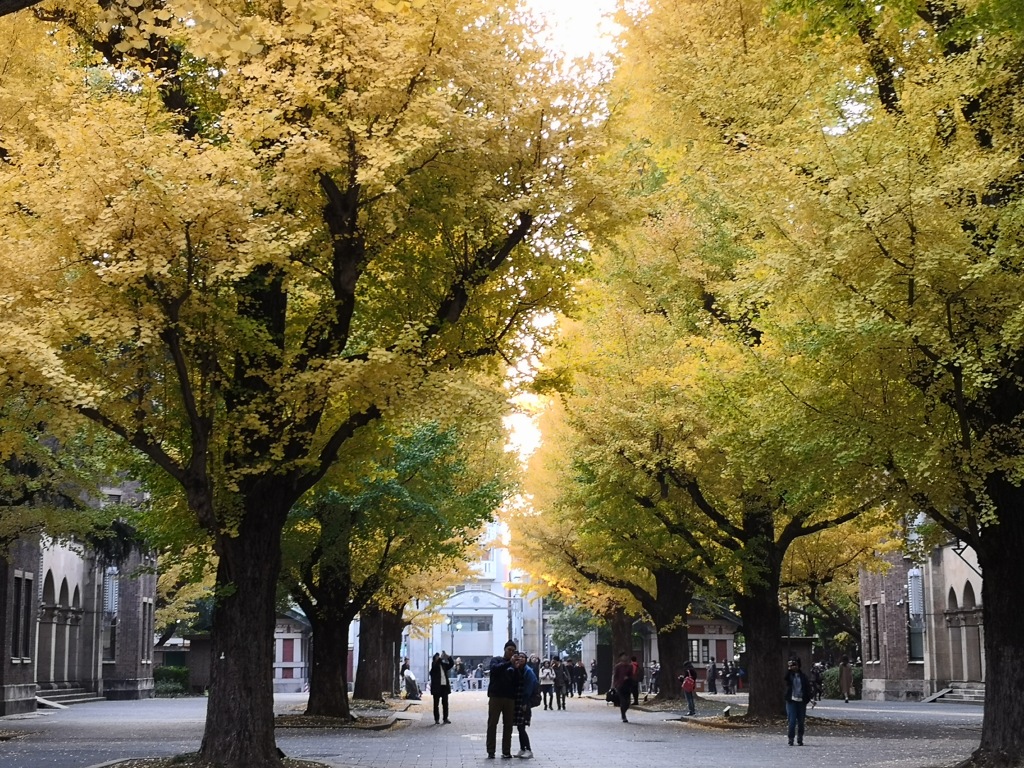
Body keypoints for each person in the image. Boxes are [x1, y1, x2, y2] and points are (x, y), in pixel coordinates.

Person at [486, 640, 518, 759]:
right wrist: (509, 663)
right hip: (496, 696)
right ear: (505, 650)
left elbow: (516, 681)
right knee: (492, 723)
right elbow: (494, 669)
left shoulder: (514, 665)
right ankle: (490, 750)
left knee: (508, 725)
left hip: (509, 697)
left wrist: (517, 668)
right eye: (509, 650)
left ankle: (506, 751)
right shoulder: (496, 660)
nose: (511, 652)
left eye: (513, 651)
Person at [512, 652, 538, 759]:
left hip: (524, 702)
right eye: (519, 657)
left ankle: (528, 749)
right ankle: (522, 748)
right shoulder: (517, 669)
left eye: (523, 657)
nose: (521, 659)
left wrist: (525, 703)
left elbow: (529, 687)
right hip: (518, 700)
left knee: (522, 726)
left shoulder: (528, 671)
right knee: (519, 727)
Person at [784, 658, 813, 746]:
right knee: (792, 721)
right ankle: (791, 738)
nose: (794, 667)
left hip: (801, 701)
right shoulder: (789, 676)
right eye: (792, 665)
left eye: (795, 665)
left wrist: (810, 698)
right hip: (791, 701)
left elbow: (807, 688)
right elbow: (785, 679)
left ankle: (800, 738)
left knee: (801, 722)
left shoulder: (803, 676)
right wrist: (789, 670)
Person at [429, 651, 454, 724]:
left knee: (445, 703)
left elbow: (451, 664)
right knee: (436, 704)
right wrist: (439, 658)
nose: (438, 658)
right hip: (437, 687)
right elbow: (435, 665)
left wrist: (448, 657)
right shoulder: (434, 666)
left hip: (444, 687)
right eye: (437, 657)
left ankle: (445, 718)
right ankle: (436, 719)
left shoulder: (443, 665)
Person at [612, 652, 634, 723]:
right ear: (620, 658)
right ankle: (623, 716)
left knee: (628, 702)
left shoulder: (630, 666)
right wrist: (615, 684)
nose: (624, 657)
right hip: (620, 685)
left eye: (625, 656)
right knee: (623, 701)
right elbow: (615, 676)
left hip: (627, 685)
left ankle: (624, 711)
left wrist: (628, 678)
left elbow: (632, 675)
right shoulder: (618, 666)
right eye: (623, 656)